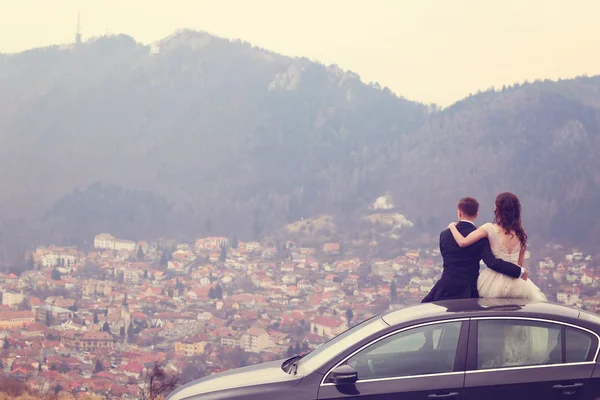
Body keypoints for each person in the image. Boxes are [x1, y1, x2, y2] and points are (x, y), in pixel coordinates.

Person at [422, 197, 527, 303]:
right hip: (469, 290)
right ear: (476, 214)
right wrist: (519, 271)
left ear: (459, 213)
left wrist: (452, 227)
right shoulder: (481, 237)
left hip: (445, 288)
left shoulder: (444, 235)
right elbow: (491, 262)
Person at [448, 192, 547, 301]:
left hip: (492, 283)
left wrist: (452, 227)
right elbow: (519, 265)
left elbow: (462, 242)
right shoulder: (520, 234)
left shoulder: (489, 229)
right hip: (516, 283)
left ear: (497, 209)